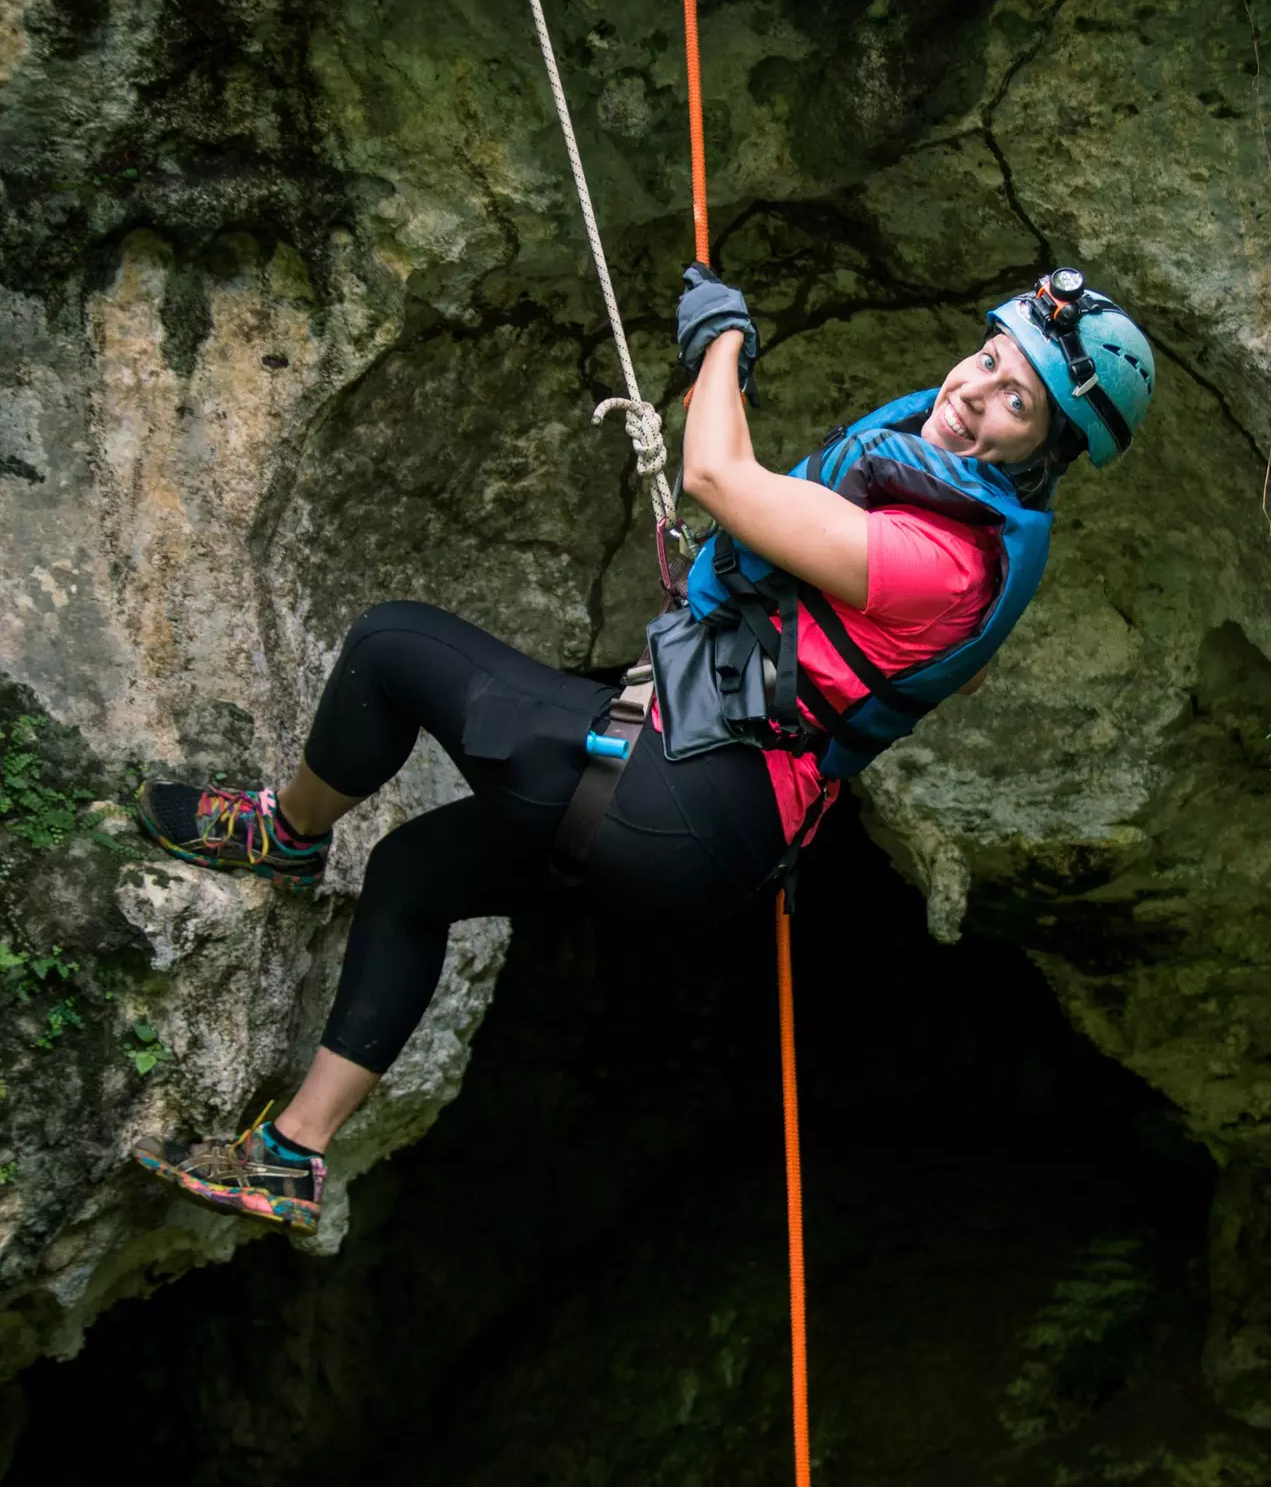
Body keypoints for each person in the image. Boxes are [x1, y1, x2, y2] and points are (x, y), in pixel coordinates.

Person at [129, 266, 1154, 1237]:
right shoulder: (969, 514)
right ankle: (291, 1153)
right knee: (413, 873)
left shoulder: (941, 560)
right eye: (985, 360)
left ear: (1046, 448)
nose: (973, 394)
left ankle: (286, 835)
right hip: (708, 822)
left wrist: (723, 345)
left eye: (1014, 402)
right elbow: (943, 664)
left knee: (393, 644)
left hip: (682, 801)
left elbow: (714, 472)